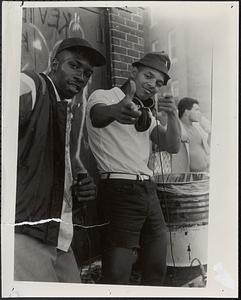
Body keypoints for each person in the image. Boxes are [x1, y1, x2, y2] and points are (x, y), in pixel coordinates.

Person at [14, 37, 106, 282]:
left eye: (87, 73)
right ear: (54, 65)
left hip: (59, 237)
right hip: (27, 233)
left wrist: (74, 192)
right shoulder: (32, 85)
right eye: (74, 66)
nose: (81, 76)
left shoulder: (64, 109)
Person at [86, 52, 181, 285]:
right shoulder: (104, 96)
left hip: (148, 191)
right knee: (118, 274)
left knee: (157, 265)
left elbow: (173, 145)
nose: (152, 85)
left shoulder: (145, 112)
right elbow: (98, 116)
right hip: (119, 188)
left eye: (158, 83)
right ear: (133, 72)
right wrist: (117, 110)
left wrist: (173, 115)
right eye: (148, 76)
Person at [172, 97, 211, 173]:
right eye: (196, 110)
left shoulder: (198, 127)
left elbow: (208, 146)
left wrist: (210, 131)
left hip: (205, 172)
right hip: (188, 175)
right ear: (186, 111)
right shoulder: (177, 127)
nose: (199, 113)